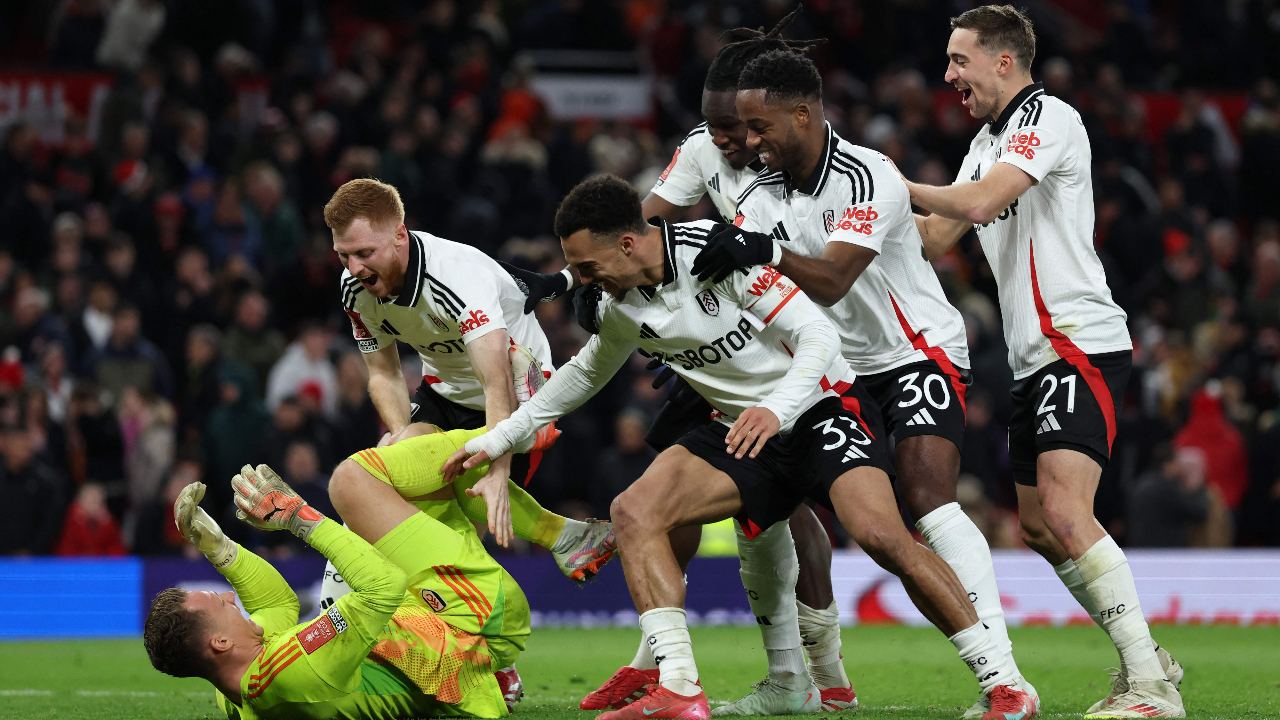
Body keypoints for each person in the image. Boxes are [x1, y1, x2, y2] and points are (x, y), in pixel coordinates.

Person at [447, 175, 1038, 720]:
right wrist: (496, 438)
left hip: (816, 409)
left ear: (628, 243)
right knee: (635, 511)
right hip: (738, 430)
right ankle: (678, 686)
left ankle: (1004, 682)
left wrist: (775, 409)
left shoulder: (714, 254)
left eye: (586, 264)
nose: (582, 277)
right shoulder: (617, 303)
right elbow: (583, 375)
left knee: (884, 537)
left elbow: (817, 335)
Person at [504, 14, 857, 713]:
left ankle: (821, 670)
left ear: (768, 117)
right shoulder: (701, 151)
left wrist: (753, 253)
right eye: (720, 128)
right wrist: (584, 283)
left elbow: (823, 269)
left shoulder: (804, 162)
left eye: (739, 129)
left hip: (792, 337)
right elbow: (633, 225)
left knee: (796, 513)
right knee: (664, 497)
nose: (732, 143)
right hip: (710, 342)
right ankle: (660, 663)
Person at [683, 38, 1024, 719]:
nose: (748, 142)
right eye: (743, 128)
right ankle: (806, 679)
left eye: (760, 126)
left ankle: (1004, 675)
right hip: (831, 370)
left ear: (803, 114)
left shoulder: (870, 175)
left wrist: (763, 248)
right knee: (767, 507)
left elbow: (835, 280)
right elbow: (739, 273)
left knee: (926, 502)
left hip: (914, 353)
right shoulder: (759, 194)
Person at [899, 5, 1183, 717]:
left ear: (1004, 60)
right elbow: (937, 236)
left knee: (1063, 508)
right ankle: (1147, 660)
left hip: (1076, 340)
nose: (948, 75)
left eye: (958, 60)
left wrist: (893, 179)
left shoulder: (1048, 117)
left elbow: (987, 199)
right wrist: (859, 198)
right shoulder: (984, 142)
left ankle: (1150, 683)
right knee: (1033, 524)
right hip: (1033, 359)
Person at [323, 177, 615, 608]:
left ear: (400, 236)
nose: (355, 268)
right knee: (406, 490)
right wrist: (404, 441)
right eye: (344, 255)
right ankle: (568, 536)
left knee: (454, 534)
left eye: (365, 253)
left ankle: (500, 652)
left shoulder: (456, 278)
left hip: (516, 394)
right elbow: (383, 373)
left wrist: (498, 471)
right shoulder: (355, 288)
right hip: (444, 389)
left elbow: (496, 380)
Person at [144, 448, 529, 719]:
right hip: (474, 624)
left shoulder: (234, 689)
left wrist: (221, 549)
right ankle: (557, 529)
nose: (231, 596)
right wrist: (297, 515)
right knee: (356, 479)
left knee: (406, 454)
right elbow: (383, 587)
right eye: (220, 603)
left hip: (432, 626)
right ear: (220, 643)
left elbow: (278, 606)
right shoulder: (293, 669)